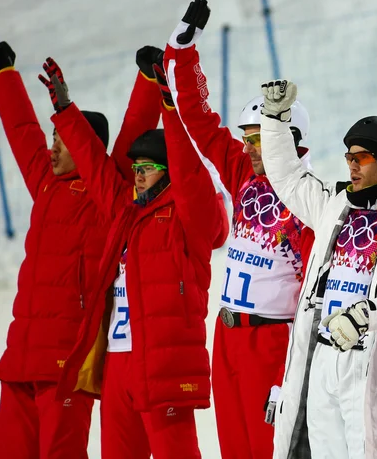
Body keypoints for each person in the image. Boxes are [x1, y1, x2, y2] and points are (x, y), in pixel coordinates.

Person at [41, 55, 226, 459]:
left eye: (149, 167)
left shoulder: (188, 217)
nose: (138, 174)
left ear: (170, 171)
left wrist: (170, 106)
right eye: (137, 166)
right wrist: (66, 112)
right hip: (119, 362)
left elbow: (191, 172)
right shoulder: (125, 214)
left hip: (164, 363)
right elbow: (94, 168)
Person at [259, 79, 377, 459]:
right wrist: (275, 122)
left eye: (361, 157)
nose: (350, 164)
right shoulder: (336, 204)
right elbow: (289, 180)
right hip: (325, 358)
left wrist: (367, 314)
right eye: (348, 157)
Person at [163, 0, 315, 459]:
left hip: (271, 341)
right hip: (227, 337)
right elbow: (202, 125)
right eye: (248, 138)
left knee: (268, 449)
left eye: (259, 138)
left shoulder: (309, 200)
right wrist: (181, 52)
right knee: (232, 448)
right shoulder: (245, 176)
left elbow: (319, 287)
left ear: (290, 140)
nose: (249, 148)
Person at [0, 41, 110, 459]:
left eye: (63, 139)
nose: (53, 147)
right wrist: (5, 77)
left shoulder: (105, 200)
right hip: (21, 361)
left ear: (86, 146)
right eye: (54, 138)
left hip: (66, 368)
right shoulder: (46, 185)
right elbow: (22, 133)